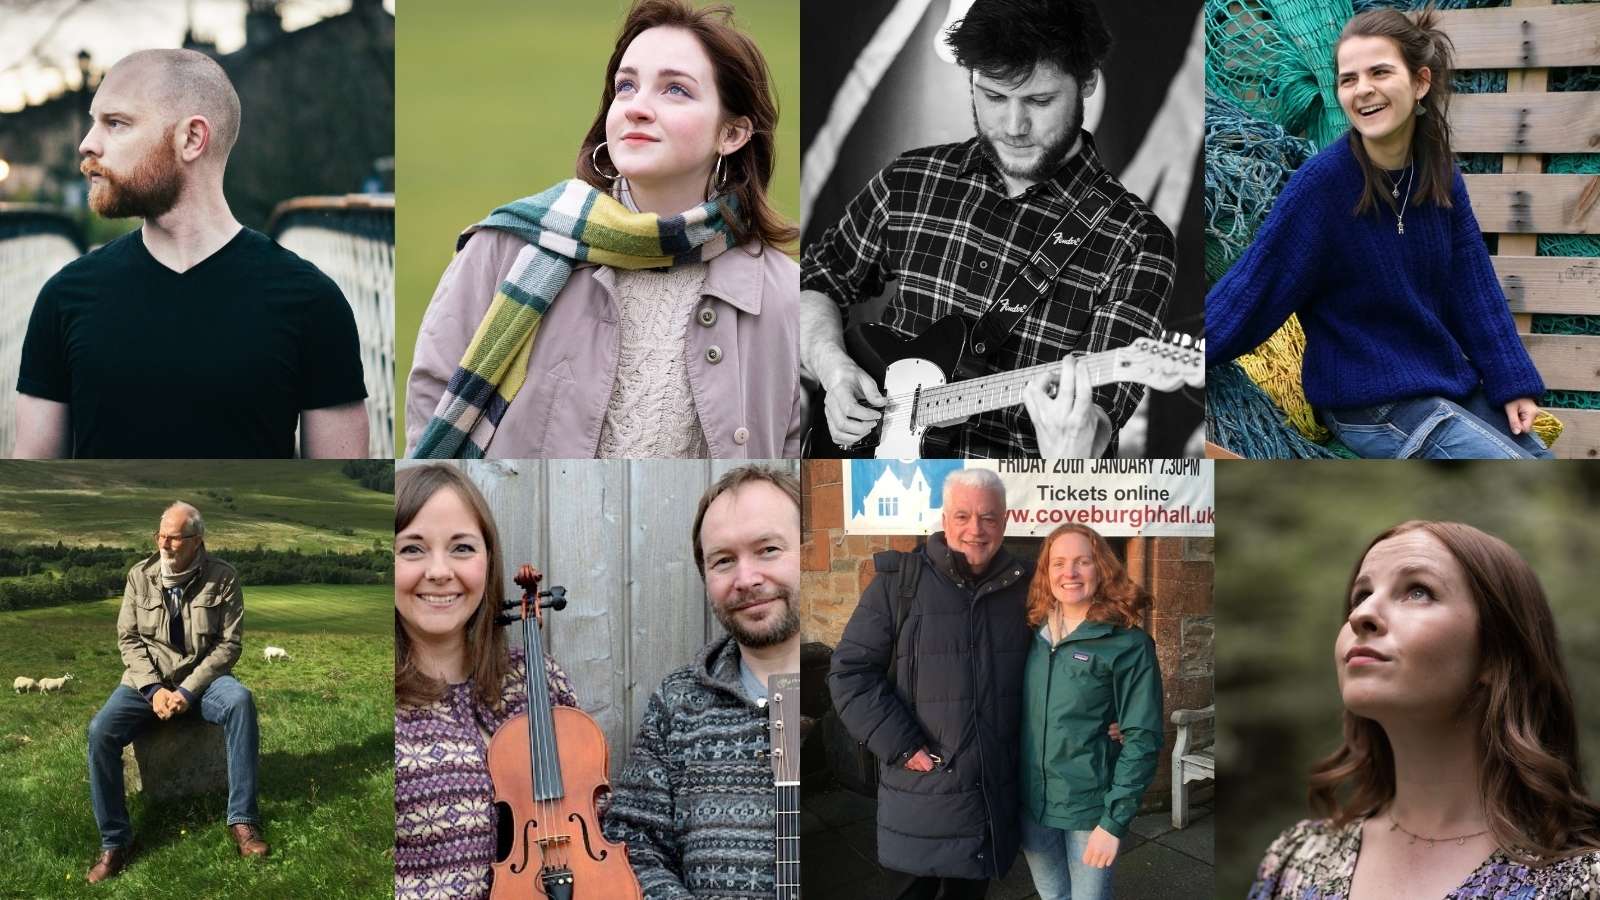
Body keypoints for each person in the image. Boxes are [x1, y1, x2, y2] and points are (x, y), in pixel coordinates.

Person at [406, 0, 800, 460]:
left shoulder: (783, 292)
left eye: (675, 90)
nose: (637, 108)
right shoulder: (505, 246)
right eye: (626, 86)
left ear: (731, 134)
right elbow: (432, 408)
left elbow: (789, 452)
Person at [801, 0, 1176, 459]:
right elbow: (817, 278)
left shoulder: (1137, 240)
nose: (1014, 126)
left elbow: (1099, 418)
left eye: (1039, 100)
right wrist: (834, 368)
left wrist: (1075, 449)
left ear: (1087, 81)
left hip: (1008, 498)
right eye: (993, 96)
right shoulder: (912, 178)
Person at [1205, 10, 1551, 459]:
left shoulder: (1441, 174)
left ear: (1420, 82)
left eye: (1380, 72)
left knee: (1541, 459)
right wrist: (1185, 353)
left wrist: (1512, 382)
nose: (1362, 89)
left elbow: (1474, 286)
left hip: (1443, 385)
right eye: (1348, 79)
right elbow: (1256, 286)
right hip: (1367, 406)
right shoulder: (1324, 184)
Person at [16, 48, 368, 459]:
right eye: (95, 123)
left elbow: (333, 496)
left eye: (116, 123)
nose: (86, 144)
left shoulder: (311, 302)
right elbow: (30, 490)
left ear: (191, 138)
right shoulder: (64, 296)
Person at [1250, 521, 1600, 898]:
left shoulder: (1581, 882)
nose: (1360, 615)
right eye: (1360, 595)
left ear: (1495, 654)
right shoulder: (1295, 859)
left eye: (1418, 591)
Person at [828, 468, 1032, 899]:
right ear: (944, 519)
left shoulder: (1028, 587)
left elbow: (1071, 657)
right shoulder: (899, 584)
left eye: (988, 517)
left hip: (987, 795)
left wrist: (1107, 713)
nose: (975, 530)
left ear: (1006, 520)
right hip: (920, 791)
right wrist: (901, 744)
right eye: (963, 516)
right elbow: (849, 672)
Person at [600, 464, 801, 898]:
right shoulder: (679, 704)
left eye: (768, 549)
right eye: (724, 560)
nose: (746, 579)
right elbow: (632, 847)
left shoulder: (855, 685)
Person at [393, 464, 581, 900]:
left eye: (461, 548)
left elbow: (590, 815)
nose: (439, 571)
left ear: (488, 560)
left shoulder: (539, 679)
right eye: (412, 549)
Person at [84, 502, 266, 882]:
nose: (165, 544)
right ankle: (116, 841)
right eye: (160, 535)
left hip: (204, 681)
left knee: (240, 702)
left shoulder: (224, 577)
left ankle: (242, 820)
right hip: (144, 683)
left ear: (197, 541)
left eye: (175, 537)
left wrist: (187, 690)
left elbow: (228, 645)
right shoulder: (139, 576)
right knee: (101, 731)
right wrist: (154, 691)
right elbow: (129, 639)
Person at [1018, 524, 1162, 900]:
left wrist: (1113, 823)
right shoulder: (1028, 635)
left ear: (1101, 569)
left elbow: (1143, 737)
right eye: (1059, 563)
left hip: (1088, 809)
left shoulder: (1128, 644)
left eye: (1083, 562)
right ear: (1046, 573)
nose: (1070, 573)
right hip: (1030, 804)